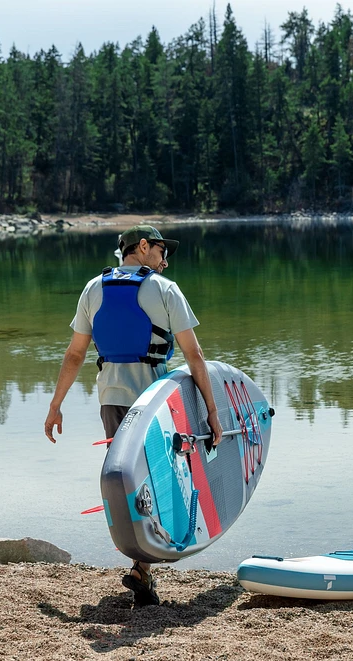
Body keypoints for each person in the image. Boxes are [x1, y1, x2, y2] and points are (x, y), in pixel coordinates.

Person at [43, 224, 223, 607]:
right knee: (162, 481)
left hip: (111, 399)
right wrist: (211, 411)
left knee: (129, 481)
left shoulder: (93, 289)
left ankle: (141, 566)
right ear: (142, 247)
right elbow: (195, 357)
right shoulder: (165, 289)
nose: (164, 259)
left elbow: (75, 354)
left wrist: (55, 404)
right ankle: (142, 567)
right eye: (160, 250)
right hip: (155, 401)